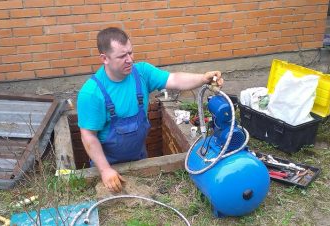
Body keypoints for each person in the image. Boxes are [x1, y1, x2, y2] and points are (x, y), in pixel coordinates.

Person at [77, 27, 223, 193]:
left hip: (140, 158)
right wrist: (104, 170)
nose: (130, 60)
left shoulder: (142, 72)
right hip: (108, 164)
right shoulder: (92, 93)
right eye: (122, 56)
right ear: (105, 58)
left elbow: (174, 79)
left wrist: (203, 78)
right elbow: (88, 135)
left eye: (130, 53)